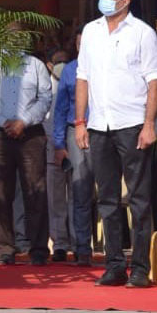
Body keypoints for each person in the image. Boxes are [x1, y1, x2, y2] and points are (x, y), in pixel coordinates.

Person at [75, 0, 157, 288]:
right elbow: (82, 78)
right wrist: (80, 122)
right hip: (99, 125)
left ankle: (139, 267)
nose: (105, 1)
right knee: (107, 200)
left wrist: (149, 124)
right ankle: (114, 266)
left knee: (139, 199)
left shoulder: (142, 33)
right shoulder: (91, 31)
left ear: (126, 0)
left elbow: (154, 81)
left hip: (132, 125)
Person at [0, 35, 52, 265]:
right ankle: (5, 249)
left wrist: (23, 121)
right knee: (0, 191)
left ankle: (38, 249)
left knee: (35, 191)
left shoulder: (36, 66)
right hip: (0, 134)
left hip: (30, 133)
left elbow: (46, 98)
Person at [53, 27, 94, 265]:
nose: (82, 47)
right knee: (80, 191)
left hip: (102, 132)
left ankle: (113, 248)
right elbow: (59, 110)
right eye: (79, 44)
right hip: (74, 131)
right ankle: (82, 249)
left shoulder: (104, 67)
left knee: (106, 193)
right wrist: (59, 143)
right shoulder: (69, 71)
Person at [44, 48, 72, 262]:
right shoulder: (46, 88)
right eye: (57, 61)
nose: (61, 65)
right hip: (52, 147)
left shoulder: (74, 83)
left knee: (77, 195)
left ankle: (79, 242)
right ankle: (60, 243)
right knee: (56, 199)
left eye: (65, 61)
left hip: (73, 145)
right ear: (50, 66)